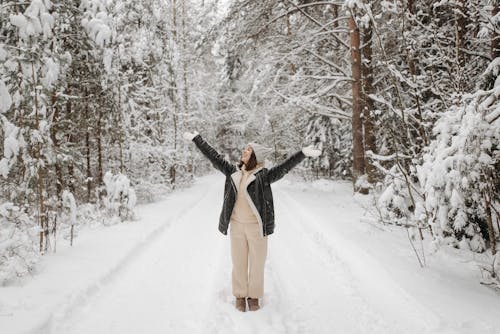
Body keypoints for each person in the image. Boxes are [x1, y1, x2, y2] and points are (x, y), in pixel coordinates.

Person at [183, 131, 321, 312]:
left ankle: (254, 296)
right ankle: (240, 295)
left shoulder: (263, 176)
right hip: (237, 226)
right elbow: (214, 157)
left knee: (257, 263)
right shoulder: (233, 172)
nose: (244, 151)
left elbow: (284, 167)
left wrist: (302, 154)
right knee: (238, 262)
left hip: (257, 228)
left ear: (255, 156)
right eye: (245, 149)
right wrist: (197, 139)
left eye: (248, 150)